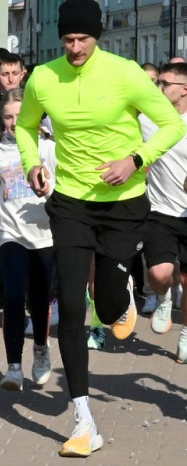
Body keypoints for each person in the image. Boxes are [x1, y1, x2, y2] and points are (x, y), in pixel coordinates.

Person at [16, 0, 186, 457]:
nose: (74, 48)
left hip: (124, 203)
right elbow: (27, 127)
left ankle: (120, 296)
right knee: (71, 304)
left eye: (82, 40)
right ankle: (83, 418)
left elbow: (170, 125)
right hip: (70, 203)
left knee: (109, 307)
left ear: (98, 37)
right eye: (68, 40)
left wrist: (135, 160)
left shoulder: (126, 73)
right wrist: (33, 164)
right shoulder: (44, 77)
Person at [0, 89, 56, 391]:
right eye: (8, 117)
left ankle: (40, 348)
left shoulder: (50, 147)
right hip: (10, 232)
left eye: (19, 116)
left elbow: (64, 185)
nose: (13, 122)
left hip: (45, 233)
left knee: (38, 300)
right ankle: (13, 366)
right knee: (12, 295)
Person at [140, 62, 187, 360]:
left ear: (184, 89)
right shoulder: (147, 120)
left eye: (164, 84)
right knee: (160, 273)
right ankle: (163, 295)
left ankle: (185, 333)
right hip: (159, 210)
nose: (158, 89)